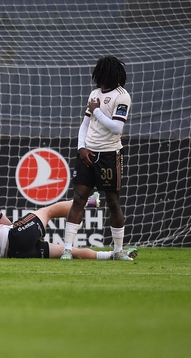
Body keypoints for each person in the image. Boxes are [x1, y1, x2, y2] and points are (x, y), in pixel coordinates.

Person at [61, 55, 133, 260]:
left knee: (112, 202)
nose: (98, 78)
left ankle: (118, 251)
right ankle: (67, 249)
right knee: (78, 199)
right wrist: (81, 148)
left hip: (110, 155)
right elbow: (85, 123)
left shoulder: (122, 96)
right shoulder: (94, 94)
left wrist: (98, 111)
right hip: (87, 155)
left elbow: (116, 127)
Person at [0, 200, 137, 259]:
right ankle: (87, 203)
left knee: (69, 251)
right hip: (15, 236)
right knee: (48, 211)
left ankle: (110, 256)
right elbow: (7, 223)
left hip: (13, 254)